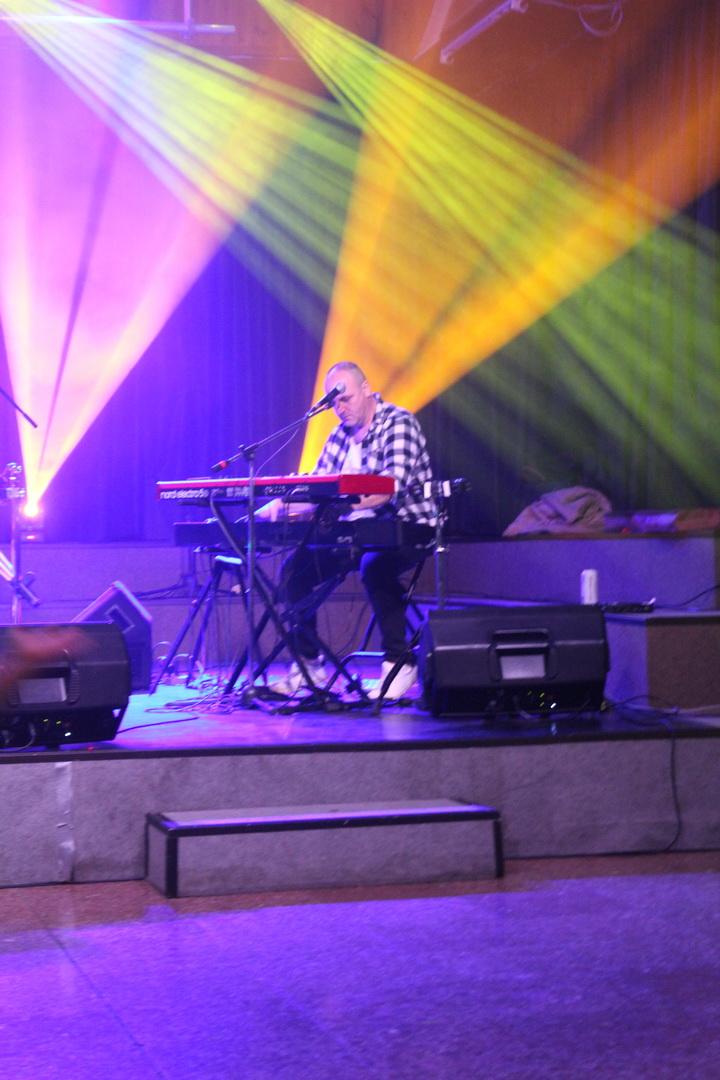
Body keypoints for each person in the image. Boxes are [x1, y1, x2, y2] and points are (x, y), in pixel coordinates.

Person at [267, 361, 436, 701]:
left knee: (375, 566)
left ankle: (400, 664)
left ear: (367, 389)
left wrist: (341, 505)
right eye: (334, 403)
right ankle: (309, 669)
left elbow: (389, 488)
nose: (340, 408)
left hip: (409, 526)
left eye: (346, 399)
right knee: (294, 572)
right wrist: (277, 505)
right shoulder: (337, 436)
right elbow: (317, 489)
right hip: (357, 534)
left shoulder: (398, 423)